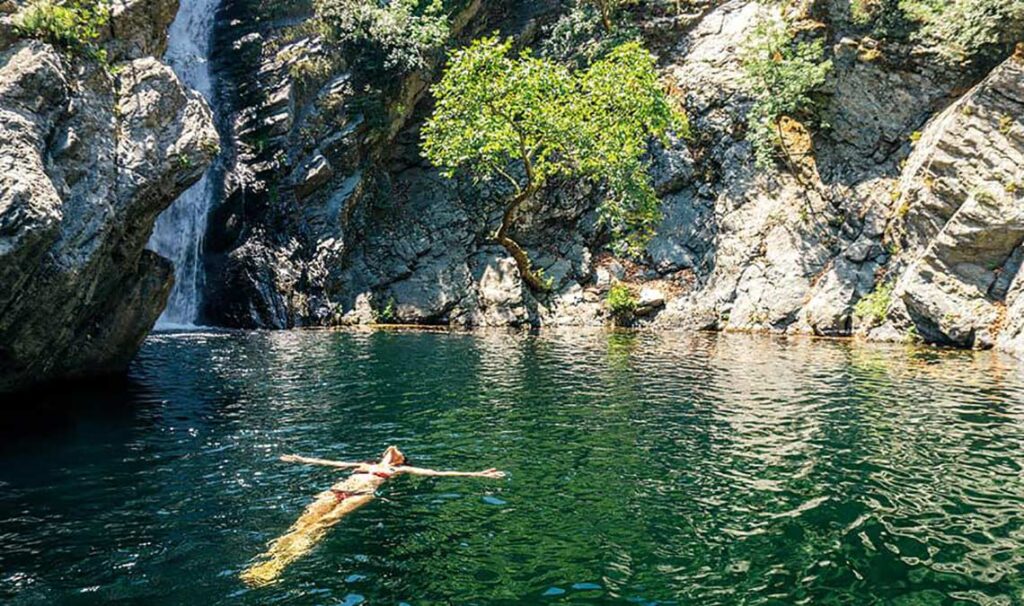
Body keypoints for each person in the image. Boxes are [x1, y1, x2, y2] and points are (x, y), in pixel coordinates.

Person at [240, 446, 506, 587]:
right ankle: (267, 561)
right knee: (301, 524)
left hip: (359, 495)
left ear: (401, 461)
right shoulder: (363, 464)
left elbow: (437, 473)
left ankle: (278, 566)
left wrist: (478, 474)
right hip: (336, 490)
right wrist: (300, 459)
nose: (393, 450)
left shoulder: (398, 471)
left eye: (398, 453)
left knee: (322, 525)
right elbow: (328, 463)